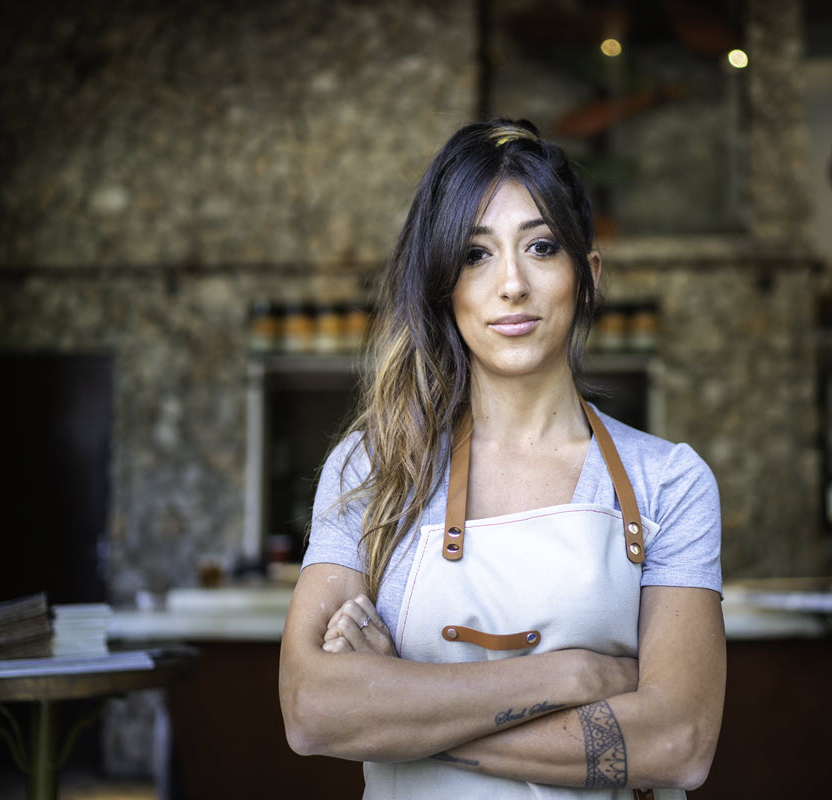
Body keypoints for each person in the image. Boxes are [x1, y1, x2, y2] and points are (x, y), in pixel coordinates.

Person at [279, 118, 725, 799]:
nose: (511, 284)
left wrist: (398, 709)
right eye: (475, 254)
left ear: (586, 275)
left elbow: (678, 743)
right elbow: (312, 713)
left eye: (541, 247)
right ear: (441, 283)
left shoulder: (668, 484)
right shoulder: (372, 468)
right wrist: (572, 678)